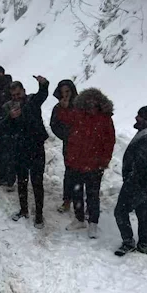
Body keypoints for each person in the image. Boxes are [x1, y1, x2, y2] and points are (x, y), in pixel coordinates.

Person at [57, 88, 116, 239]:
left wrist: (105, 160)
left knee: (92, 195)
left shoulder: (105, 118)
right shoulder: (77, 113)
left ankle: (93, 224)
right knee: (76, 192)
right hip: (76, 162)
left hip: (95, 164)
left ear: (99, 103)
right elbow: (64, 119)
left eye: (94, 102)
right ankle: (79, 219)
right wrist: (62, 107)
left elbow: (109, 141)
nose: (91, 105)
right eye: (88, 102)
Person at [0, 76, 50, 229]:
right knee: (22, 181)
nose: (16, 98)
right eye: (13, 95)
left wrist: (44, 84)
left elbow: (43, 95)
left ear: (24, 92)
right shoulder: (8, 107)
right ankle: (23, 210)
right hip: (19, 149)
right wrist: (10, 117)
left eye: (18, 94)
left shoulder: (32, 101)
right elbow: (1, 127)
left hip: (36, 148)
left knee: (37, 182)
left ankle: (39, 215)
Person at [114, 106, 147, 256]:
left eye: (139, 116)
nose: (136, 118)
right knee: (143, 211)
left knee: (120, 211)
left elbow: (141, 166)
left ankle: (128, 242)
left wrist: (131, 183)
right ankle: (143, 244)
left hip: (140, 182)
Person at [49, 80, 78, 213]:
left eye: (67, 91)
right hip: (69, 144)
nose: (65, 95)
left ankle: (81, 203)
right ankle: (67, 201)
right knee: (69, 173)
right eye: (62, 92)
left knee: (83, 174)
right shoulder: (58, 108)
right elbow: (54, 125)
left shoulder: (80, 105)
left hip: (84, 145)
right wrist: (67, 135)